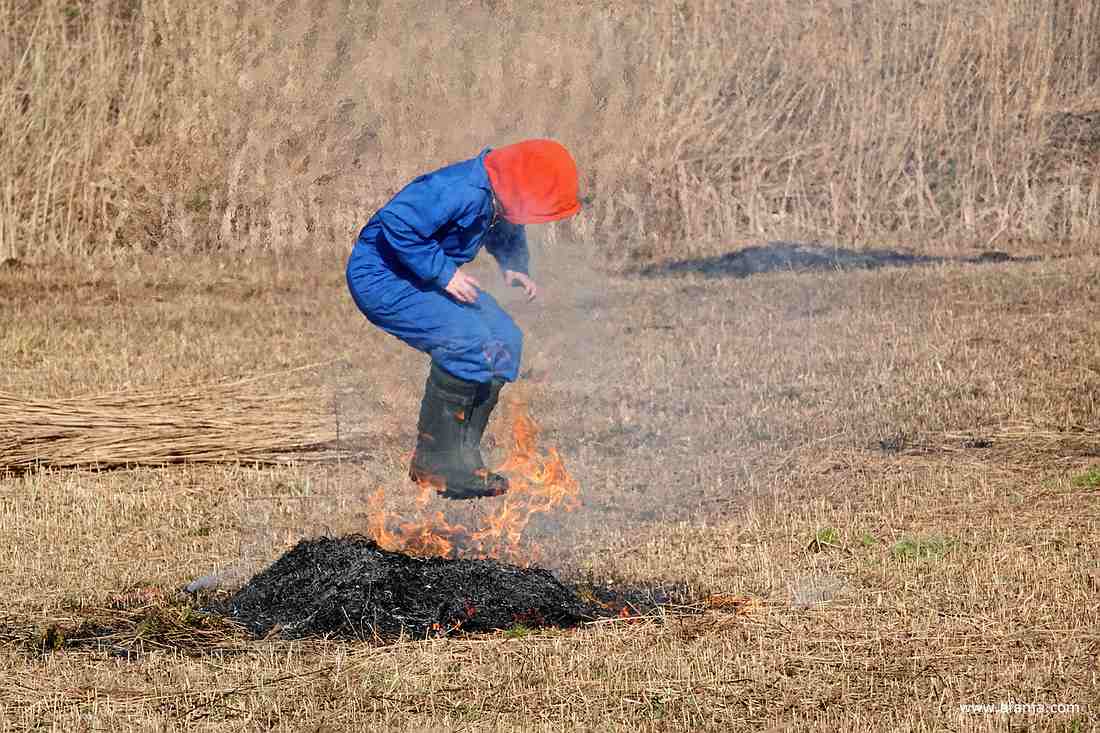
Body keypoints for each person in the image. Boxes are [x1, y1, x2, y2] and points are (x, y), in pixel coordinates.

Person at [346, 139, 581, 500]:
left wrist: (513, 266)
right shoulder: (459, 190)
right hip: (382, 276)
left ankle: (464, 458)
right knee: (468, 341)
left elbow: (505, 225)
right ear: (517, 186)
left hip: (420, 273)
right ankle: (435, 461)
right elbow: (398, 223)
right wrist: (445, 274)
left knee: (505, 341)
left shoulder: (496, 193)